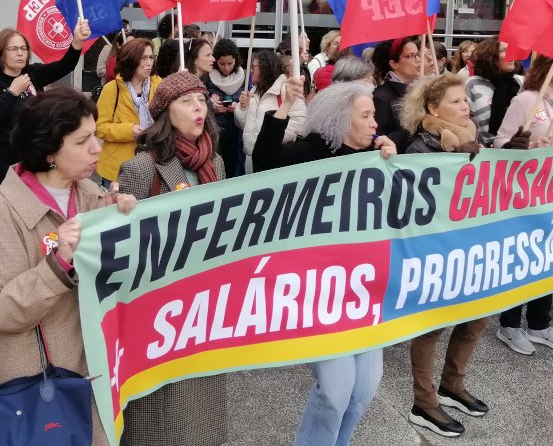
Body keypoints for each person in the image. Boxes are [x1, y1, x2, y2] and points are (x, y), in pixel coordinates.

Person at [0, 89, 136, 446]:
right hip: (35, 386)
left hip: (90, 372)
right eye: (83, 140)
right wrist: (57, 264)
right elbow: (1, 314)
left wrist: (120, 217)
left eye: (95, 134)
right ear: (49, 152)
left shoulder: (90, 193)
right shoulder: (5, 210)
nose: (97, 147)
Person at [252, 78, 396, 446]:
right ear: (340, 120)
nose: (375, 123)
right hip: (319, 293)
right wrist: (283, 108)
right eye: (366, 116)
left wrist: (397, 162)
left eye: (374, 115)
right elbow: (266, 160)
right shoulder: (313, 152)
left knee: (363, 391)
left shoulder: (379, 158)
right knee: (334, 392)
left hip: (364, 291)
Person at [116, 71, 228, 446]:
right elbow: (126, 253)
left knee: (202, 413)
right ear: (164, 113)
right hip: (161, 317)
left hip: (206, 310)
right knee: (162, 418)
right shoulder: (141, 169)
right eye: (186, 101)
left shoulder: (216, 164)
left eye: (201, 100)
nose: (198, 107)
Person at [400, 73, 490, 437]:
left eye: (465, 100)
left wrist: (517, 147)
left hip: (474, 244)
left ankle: (453, 385)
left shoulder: (476, 140)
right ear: (433, 108)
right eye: (455, 101)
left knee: (476, 319)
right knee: (433, 325)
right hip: (437, 250)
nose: (464, 106)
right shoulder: (419, 149)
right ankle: (424, 403)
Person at [493, 56, 553, 354]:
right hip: (529, 194)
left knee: (551, 256)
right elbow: (500, 144)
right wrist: (528, 146)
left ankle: (539, 324)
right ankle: (510, 325)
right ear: (548, 69)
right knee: (525, 256)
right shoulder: (527, 100)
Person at [0, 20, 91, 214]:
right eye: (13, 49)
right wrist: (10, 93)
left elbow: (65, 65)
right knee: (2, 220)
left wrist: (77, 42)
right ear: (0, 53)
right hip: (0, 166)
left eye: (23, 48)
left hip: (32, 163)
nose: (20, 53)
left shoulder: (32, 74)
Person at [97, 38, 161, 186]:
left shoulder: (159, 84)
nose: (149, 63)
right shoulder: (112, 89)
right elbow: (99, 128)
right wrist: (129, 130)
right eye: (144, 58)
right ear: (131, 59)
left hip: (152, 162)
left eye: (151, 57)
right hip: (118, 168)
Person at [235, 50, 306, 174]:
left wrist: (270, 139)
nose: (251, 70)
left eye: (254, 67)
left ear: (265, 68)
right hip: (251, 159)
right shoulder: (254, 91)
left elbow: (300, 123)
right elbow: (243, 125)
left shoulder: (285, 89)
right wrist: (243, 108)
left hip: (273, 159)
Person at [465, 36, 522, 146]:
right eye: (504, 50)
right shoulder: (473, 84)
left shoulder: (521, 83)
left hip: (515, 151)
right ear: (491, 56)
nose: (511, 54)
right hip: (484, 153)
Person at [205, 39, 245, 177]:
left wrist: (239, 107)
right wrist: (211, 105)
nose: (226, 68)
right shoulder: (208, 75)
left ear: (236, 61)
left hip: (237, 130)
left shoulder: (243, 77)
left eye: (230, 63)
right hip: (215, 130)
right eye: (222, 64)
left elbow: (250, 101)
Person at [370, 36, 423, 138]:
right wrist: (415, 129)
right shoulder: (380, 97)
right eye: (411, 56)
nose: (418, 60)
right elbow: (377, 139)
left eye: (418, 55)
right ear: (394, 64)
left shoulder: (421, 90)